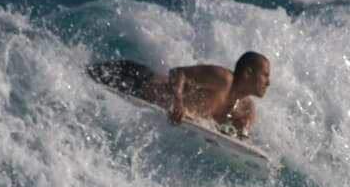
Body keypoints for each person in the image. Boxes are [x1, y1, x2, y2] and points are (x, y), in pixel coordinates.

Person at [87, 51, 270, 138]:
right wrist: (178, 102)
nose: (268, 82)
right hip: (135, 80)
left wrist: (242, 130)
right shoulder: (223, 79)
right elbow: (177, 73)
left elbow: (247, 116)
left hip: (140, 91)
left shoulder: (243, 105)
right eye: (265, 75)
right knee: (80, 74)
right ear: (247, 73)